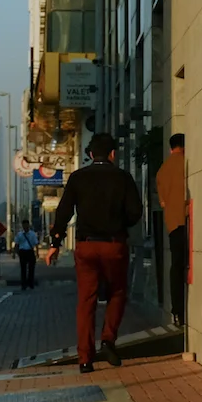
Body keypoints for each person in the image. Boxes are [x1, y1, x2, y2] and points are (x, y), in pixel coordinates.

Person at [47, 133, 143, 373]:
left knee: (86, 300)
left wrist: (55, 242)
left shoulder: (78, 178)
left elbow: (64, 211)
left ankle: (85, 359)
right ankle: (108, 338)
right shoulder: (123, 178)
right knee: (118, 291)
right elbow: (135, 213)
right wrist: (119, 223)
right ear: (112, 154)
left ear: (90, 155)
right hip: (113, 245)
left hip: (86, 246)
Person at [155, 133, 188, 327]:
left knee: (176, 267)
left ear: (171, 148)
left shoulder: (162, 170)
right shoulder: (187, 163)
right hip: (189, 220)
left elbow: (163, 201)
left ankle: (177, 312)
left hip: (173, 224)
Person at [12, 220, 41, 289]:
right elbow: (16, 244)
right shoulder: (20, 234)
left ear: (28, 225)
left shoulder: (32, 234)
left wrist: (37, 253)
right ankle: (24, 284)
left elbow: (36, 244)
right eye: (24, 225)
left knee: (31, 269)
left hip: (30, 251)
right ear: (22, 226)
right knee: (23, 269)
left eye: (26, 225)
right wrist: (14, 253)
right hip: (22, 252)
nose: (25, 226)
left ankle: (31, 283)